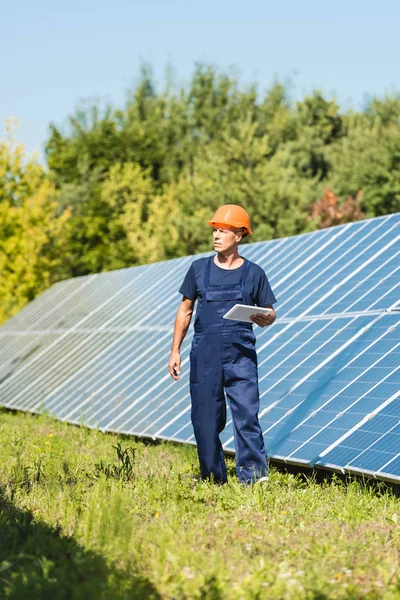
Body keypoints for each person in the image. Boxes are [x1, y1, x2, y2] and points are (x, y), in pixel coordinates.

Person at [168, 205, 277, 484]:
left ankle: (254, 477)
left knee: (247, 415)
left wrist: (266, 318)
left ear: (239, 235)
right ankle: (214, 477)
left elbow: (270, 311)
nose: (216, 235)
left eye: (223, 230)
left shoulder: (254, 273)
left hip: (240, 354)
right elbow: (185, 310)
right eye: (215, 229)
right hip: (205, 354)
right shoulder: (198, 269)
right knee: (205, 420)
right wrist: (175, 350)